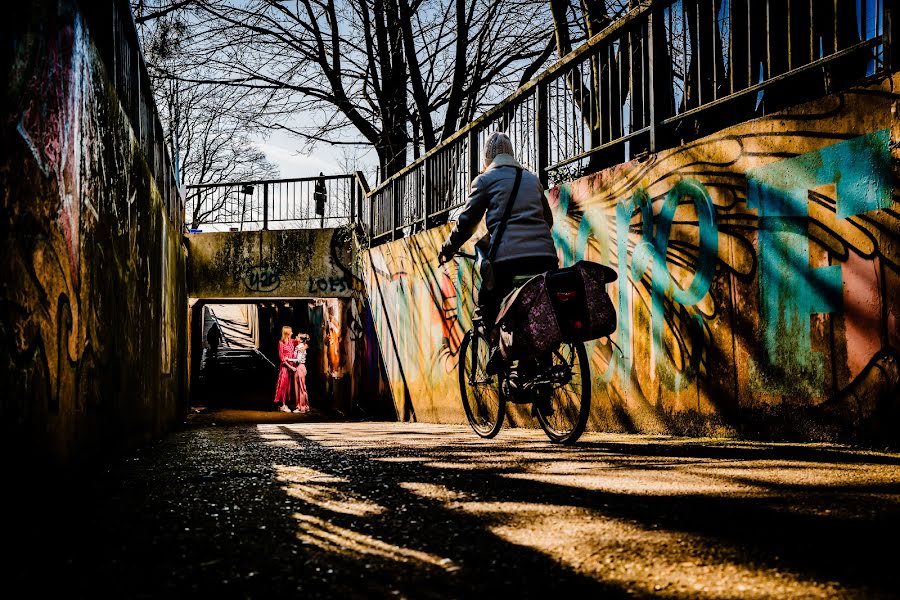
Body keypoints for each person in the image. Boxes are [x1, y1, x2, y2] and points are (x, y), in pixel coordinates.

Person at [438, 132, 558, 361]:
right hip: (546, 258)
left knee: (487, 304)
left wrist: (448, 248)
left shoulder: (484, 180)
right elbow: (548, 220)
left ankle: (498, 352)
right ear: (511, 155)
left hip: (508, 262)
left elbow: (467, 223)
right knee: (541, 311)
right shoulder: (532, 179)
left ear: (487, 159)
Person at [273, 325, 296, 412]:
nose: (292, 333)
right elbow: (282, 358)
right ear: (287, 333)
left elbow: (304, 343)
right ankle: (282, 405)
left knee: (289, 387)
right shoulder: (281, 343)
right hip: (285, 368)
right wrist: (291, 366)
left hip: (292, 367)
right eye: (291, 332)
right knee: (283, 386)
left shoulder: (292, 342)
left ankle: (285, 404)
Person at [291, 333, 311, 413]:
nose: (296, 337)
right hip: (301, 367)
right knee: (301, 387)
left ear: (301, 340)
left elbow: (298, 360)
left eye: (298, 337)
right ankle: (304, 406)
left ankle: (301, 407)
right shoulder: (302, 346)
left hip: (299, 367)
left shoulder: (299, 347)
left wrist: (289, 359)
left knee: (300, 388)